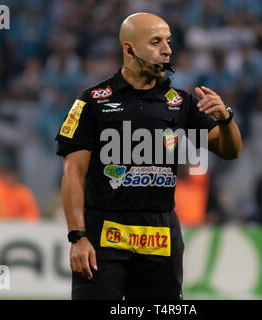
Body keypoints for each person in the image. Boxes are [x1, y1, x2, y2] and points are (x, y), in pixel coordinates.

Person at [55, 12, 242, 300]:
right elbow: (73, 174)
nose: (167, 50)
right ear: (129, 49)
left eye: (168, 41)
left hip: (160, 236)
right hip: (104, 236)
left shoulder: (181, 103)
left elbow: (230, 151)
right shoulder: (93, 101)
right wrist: (77, 237)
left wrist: (226, 118)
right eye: (156, 42)